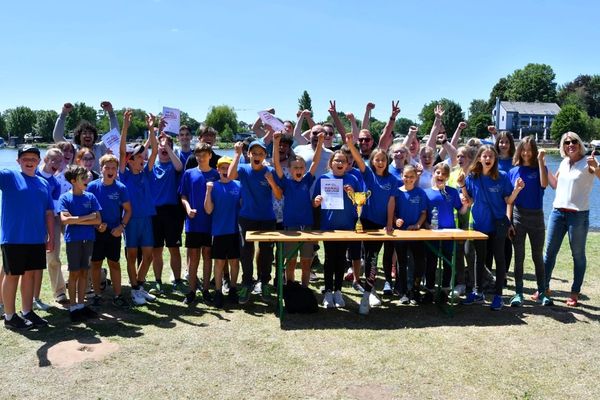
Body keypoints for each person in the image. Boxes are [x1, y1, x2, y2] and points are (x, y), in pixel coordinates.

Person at [458, 145, 523, 311]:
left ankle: (498, 296)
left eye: (491, 157)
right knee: (480, 259)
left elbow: (508, 200)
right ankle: (478, 292)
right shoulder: (472, 177)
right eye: (484, 156)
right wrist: (463, 187)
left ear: (495, 160)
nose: (487, 159)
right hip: (480, 224)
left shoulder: (501, 176)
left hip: (499, 224)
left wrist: (517, 189)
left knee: (499, 259)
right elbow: (469, 201)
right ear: (479, 158)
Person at [542, 131, 600, 307]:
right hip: (557, 213)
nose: (570, 145)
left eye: (574, 141)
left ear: (580, 143)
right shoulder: (564, 162)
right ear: (563, 146)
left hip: (578, 215)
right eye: (566, 142)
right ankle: (543, 287)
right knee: (549, 253)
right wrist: (543, 165)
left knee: (578, 255)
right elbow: (554, 185)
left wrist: (596, 167)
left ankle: (574, 292)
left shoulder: (588, 162)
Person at [1, 146, 54, 330]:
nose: (29, 161)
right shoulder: (9, 176)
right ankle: (9, 316)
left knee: (31, 275)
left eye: (33, 158)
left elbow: (48, 212)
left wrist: (51, 236)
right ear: (18, 161)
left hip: (37, 237)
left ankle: (27, 311)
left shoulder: (43, 183)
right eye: (25, 158)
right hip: (14, 237)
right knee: (12, 275)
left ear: (39, 161)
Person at [344, 133, 396, 315]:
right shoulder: (367, 175)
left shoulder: (393, 180)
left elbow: (391, 202)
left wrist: (389, 223)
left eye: (383, 160)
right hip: (363, 221)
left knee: (373, 258)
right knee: (365, 256)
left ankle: (367, 293)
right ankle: (368, 291)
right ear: (372, 161)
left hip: (381, 225)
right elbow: (358, 159)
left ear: (387, 162)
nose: (380, 162)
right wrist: (351, 145)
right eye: (377, 160)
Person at [227, 140, 282, 304]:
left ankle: (264, 282)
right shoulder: (243, 169)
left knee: (266, 253)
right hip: (246, 218)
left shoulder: (270, 171)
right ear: (249, 154)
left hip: (267, 219)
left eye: (261, 154)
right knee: (245, 252)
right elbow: (230, 176)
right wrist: (237, 154)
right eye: (254, 153)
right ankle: (246, 283)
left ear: (265, 155)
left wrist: (271, 181)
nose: (257, 156)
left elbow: (279, 195)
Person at [273, 130, 323, 287]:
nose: (299, 170)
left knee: (307, 262)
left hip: (307, 226)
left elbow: (315, 162)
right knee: (291, 261)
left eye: (301, 167)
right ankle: (291, 288)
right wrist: (275, 143)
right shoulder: (286, 182)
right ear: (290, 169)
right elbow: (276, 163)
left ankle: (304, 289)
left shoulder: (307, 180)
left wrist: (320, 143)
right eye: (295, 167)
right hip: (291, 227)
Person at [119, 110, 158, 306]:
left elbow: (156, 151)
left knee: (149, 255)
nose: (142, 159)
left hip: (147, 218)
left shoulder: (147, 172)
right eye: (138, 156)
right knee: (132, 255)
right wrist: (125, 126)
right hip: (131, 220)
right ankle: (134, 290)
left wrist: (151, 129)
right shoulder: (124, 175)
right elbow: (120, 151)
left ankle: (139, 286)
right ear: (130, 159)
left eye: (143, 157)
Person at [313, 150, 361, 308]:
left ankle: (338, 291)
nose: (340, 163)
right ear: (331, 163)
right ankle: (328, 291)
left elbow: (360, 202)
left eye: (343, 161)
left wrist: (352, 194)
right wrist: (317, 201)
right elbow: (314, 203)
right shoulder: (323, 179)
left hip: (347, 226)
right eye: (337, 161)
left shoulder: (352, 179)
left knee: (341, 259)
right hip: (329, 226)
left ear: (348, 164)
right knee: (329, 259)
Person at [508, 136, 552, 307]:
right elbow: (509, 200)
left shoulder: (541, 168)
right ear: (519, 151)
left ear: (534, 151)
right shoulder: (513, 171)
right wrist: (509, 222)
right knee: (519, 257)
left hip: (537, 217)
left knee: (537, 256)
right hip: (519, 217)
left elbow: (544, 184)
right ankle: (518, 293)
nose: (526, 153)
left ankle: (542, 292)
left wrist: (541, 161)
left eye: (530, 149)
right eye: (523, 149)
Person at [87, 154, 132, 309]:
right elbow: (88, 210)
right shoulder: (92, 186)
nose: (110, 170)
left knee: (114, 263)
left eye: (113, 168)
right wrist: (95, 225)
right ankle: (97, 295)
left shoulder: (120, 188)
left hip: (114, 231)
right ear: (101, 169)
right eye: (107, 167)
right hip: (97, 231)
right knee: (95, 263)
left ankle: (118, 295)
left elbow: (128, 210)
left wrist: (121, 227)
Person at [59, 165, 102, 322]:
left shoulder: (90, 197)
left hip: (89, 239)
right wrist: (86, 217)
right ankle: (73, 307)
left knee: (85, 272)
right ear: (72, 181)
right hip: (73, 241)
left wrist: (76, 219)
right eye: (82, 178)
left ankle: (81, 305)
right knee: (74, 273)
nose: (87, 180)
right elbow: (64, 220)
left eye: (87, 177)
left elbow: (98, 219)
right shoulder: (65, 198)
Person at [179, 143, 220, 304]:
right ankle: (191, 291)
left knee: (208, 255)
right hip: (193, 223)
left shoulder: (216, 174)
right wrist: (188, 209)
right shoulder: (189, 173)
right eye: (198, 155)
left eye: (204, 154)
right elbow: (183, 196)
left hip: (210, 223)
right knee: (193, 256)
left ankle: (205, 290)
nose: (201, 157)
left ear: (210, 155)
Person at [424, 163, 469, 303]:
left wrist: (466, 204)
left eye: (444, 174)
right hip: (432, 234)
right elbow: (423, 216)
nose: (440, 176)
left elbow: (461, 210)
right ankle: (429, 291)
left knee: (448, 263)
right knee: (431, 263)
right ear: (433, 174)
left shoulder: (453, 192)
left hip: (449, 233)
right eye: (438, 173)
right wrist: (427, 226)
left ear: (448, 177)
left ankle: (444, 291)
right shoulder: (426, 193)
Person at [149, 132, 184, 296]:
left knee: (174, 249)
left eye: (168, 144)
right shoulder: (152, 164)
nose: (164, 147)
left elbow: (180, 167)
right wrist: (157, 140)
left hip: (172, 212)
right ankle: (157, 281)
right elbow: (146, 152)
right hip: (154, 213)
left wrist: (168, 147)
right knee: (157, 250)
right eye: (161, 144)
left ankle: (177, 281)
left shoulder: (174, 164)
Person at [204, 157, 241, 308]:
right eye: (223, 168)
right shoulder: (213, 186)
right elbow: (208, 209)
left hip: (234, 230)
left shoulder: (239, 185)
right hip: (219, 231)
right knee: (219, 262)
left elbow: (243, 205)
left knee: (234, 261)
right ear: (218, 170)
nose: (225, 171)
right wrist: (208, 191)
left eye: (228, 167)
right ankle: (218, 292)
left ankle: (233, 288)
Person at [392, 165, 428, 305]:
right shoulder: (397, 193)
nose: (408, 179)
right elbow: (392, 212)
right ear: (402, 176)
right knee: (402, 262)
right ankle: (403, 292)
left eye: (411, 177)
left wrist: (418, 225)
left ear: (416, 177)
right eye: (406, 176)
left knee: (419, 262)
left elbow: (423, 213)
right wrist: (396, 220)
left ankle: (415, 289)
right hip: (400, 234)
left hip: (416, 234)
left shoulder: (420, 193)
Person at [33, 148, 62, 311]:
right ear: (45, 159)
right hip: (30, 224)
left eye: (59, 161)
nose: (56, 164)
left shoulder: (55, 183)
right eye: (53, 160)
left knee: (45, 261)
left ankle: (36, 298)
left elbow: (53, 209)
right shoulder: (32, 174)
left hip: (48, 223)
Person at [53, 101, 118, 171]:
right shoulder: (73, 149)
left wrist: (111, 113)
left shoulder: (100, 148)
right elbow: (57, 137)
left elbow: (114, 135)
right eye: (84, 133)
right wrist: (63, 113)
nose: (87, 135)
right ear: (79, 136)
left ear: (94, 136)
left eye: (90, 133)